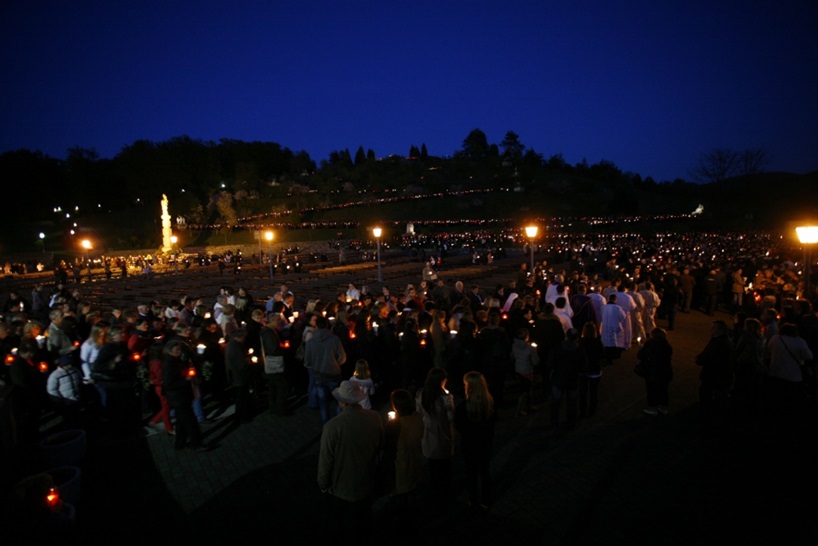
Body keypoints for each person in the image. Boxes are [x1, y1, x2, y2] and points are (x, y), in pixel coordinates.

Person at [317, 380, 383, 545]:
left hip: (341, 486)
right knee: (363, 523)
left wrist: (323, 483)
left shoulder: (333, 426)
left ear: (342, 402)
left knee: (340, 524)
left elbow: (326, 459)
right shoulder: (374, 417)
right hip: (366, 480)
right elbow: (380, 446)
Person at [382, 388, 424, 527]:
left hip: (400, 468)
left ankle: (402, 525)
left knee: (401, 500)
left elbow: (388, 448)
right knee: (412, 495)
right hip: (415, 462)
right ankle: (413, 521)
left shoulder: (395, 425)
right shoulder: (417, 418)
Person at [454, 371, 496, 511]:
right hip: (485, 444)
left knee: (471, 473)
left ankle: (473, 500)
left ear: (470, 387)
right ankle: (486, 499)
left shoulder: (463, 408)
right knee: (484, 471)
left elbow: (459, 428)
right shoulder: (490, 404)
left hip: (469, 446)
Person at [415, 367, 455, 497]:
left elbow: (419, 412)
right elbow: (450, 417)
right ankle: (444, 491)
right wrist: (450, 402)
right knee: (444, 464)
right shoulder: (444, 397)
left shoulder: (421, 394)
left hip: (428, 430)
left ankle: (435, 489)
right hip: (442, 431)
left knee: (432, 463)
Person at [765, 322, 814, 421]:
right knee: (790, 396)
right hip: (793, 375)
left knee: (777, 394)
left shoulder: (775, 339)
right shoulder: (799, 342)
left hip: (775, 371)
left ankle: (776, 413)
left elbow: (769, 349)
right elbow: (809, 356)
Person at [161, 339, 204, 451]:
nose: (179, 351)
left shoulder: (176, 360)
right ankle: (197, 443)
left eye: (179, 349)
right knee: (190, 422)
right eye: (177, 350)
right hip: (178, 398)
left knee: (181, 422)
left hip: (181, 397)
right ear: (169, 351)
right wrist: (186, 380)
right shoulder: (169, 364)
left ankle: (179, 443)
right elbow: (169, 384)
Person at [304, 315, 347, 424]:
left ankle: (326, 424)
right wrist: (336, 364)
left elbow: (307, 361)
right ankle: (339, 423)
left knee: (323, 402)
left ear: (316, 326)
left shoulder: (310, 342)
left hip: (319, 375)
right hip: (333, 373)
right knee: (338, 400)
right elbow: (342, 357)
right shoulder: (335, 339)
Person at [695, 320, 734, 421]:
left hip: (713, 375)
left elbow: (711, 357)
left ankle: (706, 416)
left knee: (706, 394)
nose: (711, 330)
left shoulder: (719, 343)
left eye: (714, 328)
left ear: (720, 330)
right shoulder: (720, 341)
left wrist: (699, 359)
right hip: (715, 375)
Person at [548, 328, 586, 429]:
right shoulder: (579, 351)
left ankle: (554, 422)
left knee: (556, 402)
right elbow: (583, 365)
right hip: (572, 379)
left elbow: (550, 362)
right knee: (572, 402)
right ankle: (571, 422)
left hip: (558, 378)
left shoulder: (558, 348)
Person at [636, 327, 673, 416]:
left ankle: (652, 408)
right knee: (663, 390)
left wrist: (640, 349)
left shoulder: (650, 344)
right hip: (666, 372)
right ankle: (663, 408)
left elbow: (642, 356)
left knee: (652, 390)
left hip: (653, 372)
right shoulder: (667, 345)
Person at [260, 313, 289, 416]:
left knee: (273, 386)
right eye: (278, 320)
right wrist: (284, 350)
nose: (279, 322)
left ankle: (273, 407)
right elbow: (272, 349)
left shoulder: (270, 331)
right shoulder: (268, 333)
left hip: (272, 364)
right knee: (282, 386)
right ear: (272, 321)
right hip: (274, 363)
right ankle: (280, 409)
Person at [578, 321, 606, 418]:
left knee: (583, 392)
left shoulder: (580, 342)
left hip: (583, 371)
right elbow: (602, 355)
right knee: (593, 392)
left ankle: (582, 411)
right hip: (595, 370)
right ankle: (592, 411)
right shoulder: (597, 342)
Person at [225, 328, 252, 423]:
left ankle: (238, 416)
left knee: (239, 398)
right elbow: (242, 365)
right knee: (242, 398)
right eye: (244, 337)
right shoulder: (237, 347)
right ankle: (243, 417)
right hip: (239, 377)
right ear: (240, 337)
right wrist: (249, 361)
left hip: (234, 376)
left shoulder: (230, 345)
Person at [511, 327, 539, 416]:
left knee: (526, 390)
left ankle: (529, 406)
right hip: (527, 371)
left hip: (518, 369)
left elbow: (513, 357)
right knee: (525, 391)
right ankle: (518, 411)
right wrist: (535, 352)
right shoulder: (530, 348)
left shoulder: (514, 346)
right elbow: (535, 362)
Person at [600, 294, 628, 361]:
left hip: (605, 326)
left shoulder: (603, 307)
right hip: (615, 326)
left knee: (607, 341)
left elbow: (601, 315)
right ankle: (614, 355)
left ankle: (606, 354)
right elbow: (622, 317)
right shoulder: (618, 308)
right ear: (615, 299)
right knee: (615, 341)